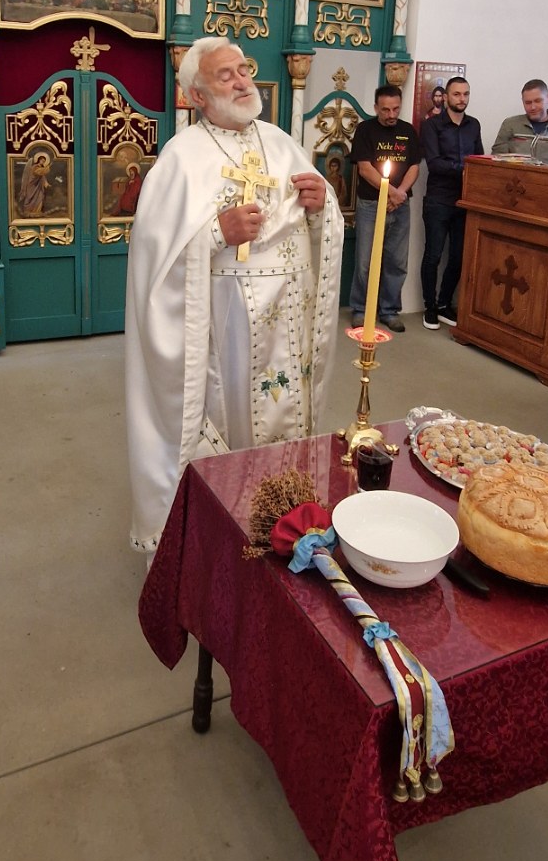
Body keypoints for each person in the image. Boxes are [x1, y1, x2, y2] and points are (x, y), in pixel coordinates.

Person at [124, 37, 344, 553]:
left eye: (243, 70)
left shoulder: (282, 143)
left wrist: (322, 205)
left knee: (288, 422)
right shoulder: (181, 159)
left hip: (288, 322)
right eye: (225, 76)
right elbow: (154, 257)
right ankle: (225, 533)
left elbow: (320, 219)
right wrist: (215, 233)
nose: (243, 81)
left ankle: (288, 523)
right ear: (197, 96)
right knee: (235, 424)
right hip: (226, 333)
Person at [348, 83, 422, 334]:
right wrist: (392, 192)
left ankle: (389, 310)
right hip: (371, 204)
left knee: (396, 261)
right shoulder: (365, 130)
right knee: (365, 261)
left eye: (395, 109)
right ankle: (360, 309)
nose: (391, 115)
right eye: (385, 110)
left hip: (400, 206)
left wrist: (400, 194)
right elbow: (365, 168)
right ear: (376, 108)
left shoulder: (408, 131)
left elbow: (414, 166)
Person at [419, 75, 483, 329]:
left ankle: (444, 304)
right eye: (457, 94)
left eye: (466, 94)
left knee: (458, 256)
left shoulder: (473, 125)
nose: (462, 99)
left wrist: (470, 169)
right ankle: (429, 307)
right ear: (445, 97)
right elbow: (435, 164)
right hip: (438, 199)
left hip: (465, 200)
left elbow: (479, 159)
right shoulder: (432, 125)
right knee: (433, 255)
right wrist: (466, 168)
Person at [492, 79, 548, 160]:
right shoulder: (510, 125)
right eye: (528, 103)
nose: (533, 107)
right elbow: (497, 159)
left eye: (538, 101)